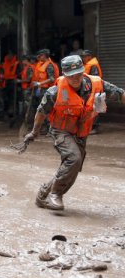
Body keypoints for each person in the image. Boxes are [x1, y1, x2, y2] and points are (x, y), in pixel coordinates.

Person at [23, 55, 125, 211]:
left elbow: (119, 93)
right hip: (60, 130)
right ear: (64, 75)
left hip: (81, 133)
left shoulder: (96, 84)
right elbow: (41, 113)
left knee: (71, 167)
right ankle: (56, 194)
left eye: (78, 73)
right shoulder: (54, 91)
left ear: (83, 72)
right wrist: (34, 132)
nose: (75, 78)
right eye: (71, 75)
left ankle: (42, 195)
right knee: (74, 158)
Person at [81, 49, 103, 134]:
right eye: (82, 56)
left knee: (96, 107)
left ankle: (95, 127)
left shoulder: (93, 65)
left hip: (95, 89)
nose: (83, 58)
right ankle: (90, 126)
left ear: (89, 56)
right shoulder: (86, 65)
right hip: (89, 89)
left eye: (85, 56)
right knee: (89, 108)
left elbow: (94, 78)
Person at [16, 55, 34, 125]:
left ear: (27, 60)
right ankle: (28, 120)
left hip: (28, 88)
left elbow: (29, 79)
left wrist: (19, 81)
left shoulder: (30, 68)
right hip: (25, 88)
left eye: (23, 60)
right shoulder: (26, 68)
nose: (22, 62)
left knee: (29, 105)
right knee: (27, 105)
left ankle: (30, 121)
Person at [2, 50, 19, 119]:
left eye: (10, 55)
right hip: (6, 82)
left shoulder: (16, 63)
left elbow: (18, 73)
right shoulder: (4, 64)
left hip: (13, 82)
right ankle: (7, 112)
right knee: (6, 98)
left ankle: (14, 113)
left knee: (13, 98)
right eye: (8, 55)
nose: (9, 56)